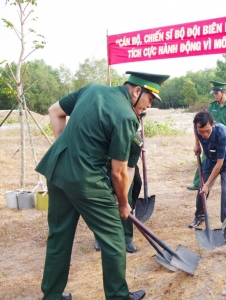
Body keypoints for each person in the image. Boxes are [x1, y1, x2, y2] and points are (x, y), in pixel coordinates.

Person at [36, 71, 169, 300]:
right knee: (114, 239)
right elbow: (118, 173)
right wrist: (124, 204)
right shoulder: (126, 116)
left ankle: (52, 296)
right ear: (137, 91)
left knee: (59, 237)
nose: (147, 106)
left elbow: (55, 111)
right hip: (87, 181)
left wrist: (67, 150)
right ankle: (118, 296)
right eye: (149, 99)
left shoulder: (92, 88)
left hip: (57, 171)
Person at [188, 111, 226, 243]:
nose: (204, 134)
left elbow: (220, 163)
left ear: (213, 124)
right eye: (201, 131)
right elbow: (196, 130)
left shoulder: (222, 133)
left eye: (207, 131)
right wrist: (197, 144)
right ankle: (200, 215)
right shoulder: (197, 126)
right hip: (211, 159)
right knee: (201, 190)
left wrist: (207, 184)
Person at [186, 81, 226, 195]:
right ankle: (198, 183)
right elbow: (202, 122)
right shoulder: (212, 106)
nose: (215, 95)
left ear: (223, 92)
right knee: (204, 160)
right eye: (214, 93)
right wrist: (197, 143)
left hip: (225, 140)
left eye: (216, 93)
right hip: (210, 138)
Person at [94, 130, 143, 254]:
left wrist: (123, 194)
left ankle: (126, 238)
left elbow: (130, 169)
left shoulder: (136, 142)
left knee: (127, 201)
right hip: (100, 170)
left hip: (123, 172)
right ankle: (101, 236)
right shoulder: (100, 136)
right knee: (101, 201)